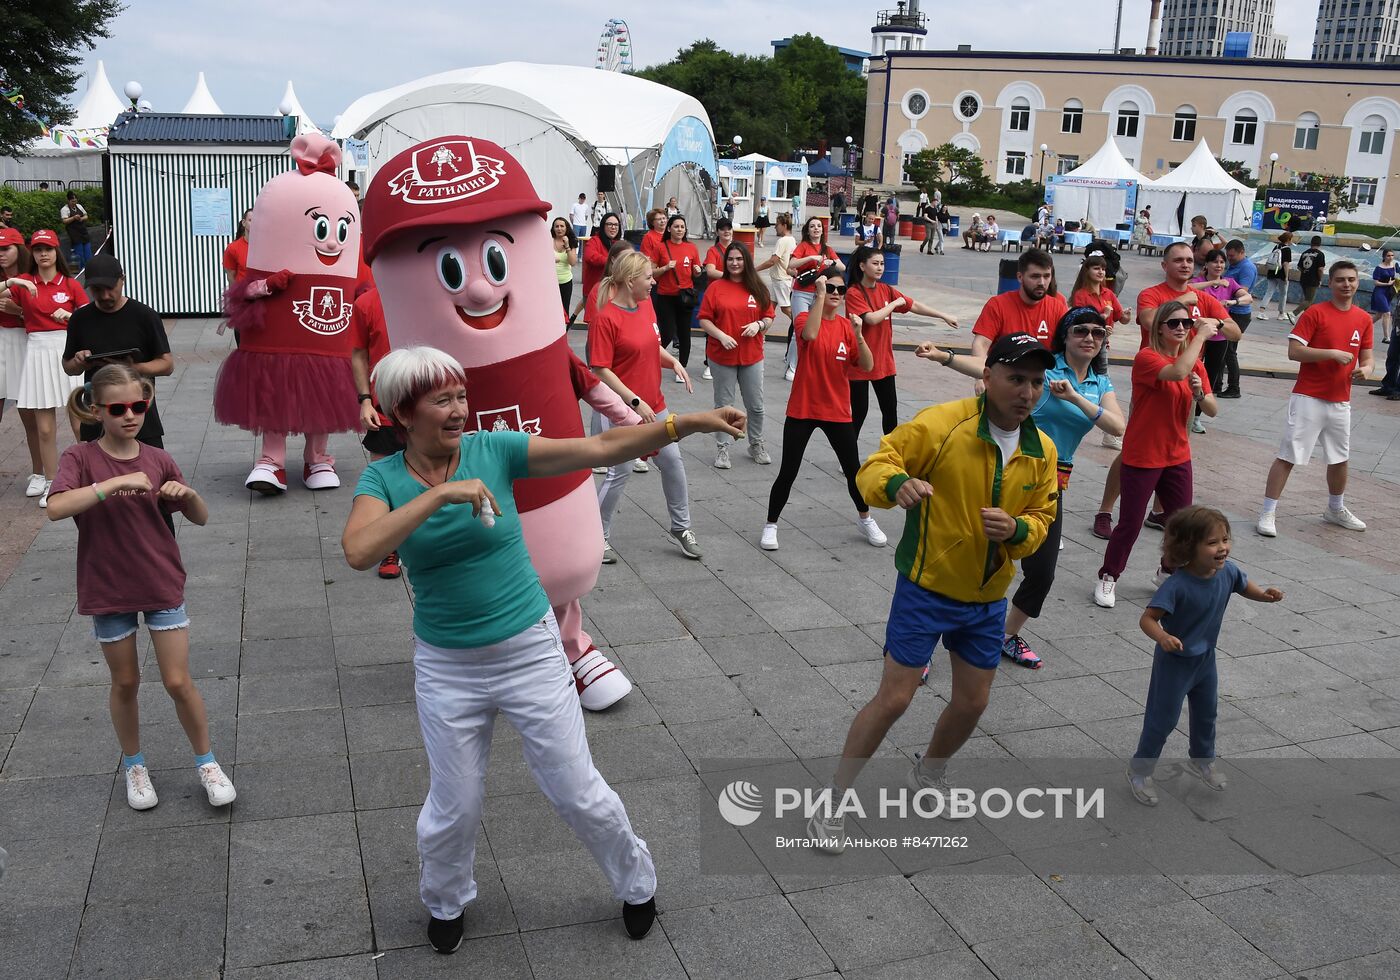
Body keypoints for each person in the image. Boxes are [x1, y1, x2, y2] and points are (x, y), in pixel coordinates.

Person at [341, 346, 746, 953]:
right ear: (403, 412)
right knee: (454, 804)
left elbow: (602, 449)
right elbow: (358, 550)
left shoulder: (493, 448)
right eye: (442, 400)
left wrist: (682, 423)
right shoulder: (384, 479)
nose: (459, 411)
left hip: (527, 650)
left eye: (460, 396)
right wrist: (436, 498)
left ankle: (637, 883)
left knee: (575, 788)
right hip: (447, 665)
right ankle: (446, 901)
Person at [807, 333, 1058, 851]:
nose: (1027, 392)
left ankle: (929, 774)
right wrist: (896, 485)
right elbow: (877, 463)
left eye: (1036, 381)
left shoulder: (1041, 449)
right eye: (1015, 379)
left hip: (988, 598)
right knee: (895, 699)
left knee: (973, 702)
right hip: (926, 589)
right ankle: (833, 800)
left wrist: (1016, 531)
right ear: (986, 377)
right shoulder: (945, 424)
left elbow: (1043, 516)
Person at [46, 363, 236, 812]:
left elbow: (201, 516)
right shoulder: (81, 458)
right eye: (118, 408)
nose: (130, 415)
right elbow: (55, 508)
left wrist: (188, 496)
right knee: (125, 681)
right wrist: (112, 484)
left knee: (177, 680)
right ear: (97, 410)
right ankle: (135, 766)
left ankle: (207, 763)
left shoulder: (158, 457)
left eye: (139, 405)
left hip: (160, 579)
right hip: (108, 585)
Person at [917, 307, 1124, 668]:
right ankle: (920, 649)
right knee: (962, 561)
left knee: (1042, 573)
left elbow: (1117, 426)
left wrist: (1074, 396)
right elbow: (996, 372)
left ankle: (1003, 636)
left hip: (1049, 484)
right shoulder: (1044, 368)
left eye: (1097, 332)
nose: (1089, 337)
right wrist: (944, 357)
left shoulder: (1100, 384)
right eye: (1080, 331)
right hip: (1000, 470)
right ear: (1065, 335)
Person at [1128, 506, 1284, 805]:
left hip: (1205, 661)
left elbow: (1243, 584)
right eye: (1212, 542)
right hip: (1175, 664)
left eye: (1225, 539)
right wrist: (1163, 637)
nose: (1223, 547)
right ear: (1188, 547)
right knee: (1162, 720)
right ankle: (1140, 769)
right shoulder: (1177, 585)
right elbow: (1147, 619)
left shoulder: (1228, 572)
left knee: (1206, 714)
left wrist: (1263, 594)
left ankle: (1202, 759)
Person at [1091, 243, 1239, 539]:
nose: (1185, 265)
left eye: (1188, 260)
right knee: (1134, 449)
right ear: (1165, 265)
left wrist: (1217, 321)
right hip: (1154, 378)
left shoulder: (1204, 298)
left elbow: (1235, 332)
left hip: (1187, 381)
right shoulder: (1153, 294)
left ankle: (1161, 511)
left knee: (1177, 445)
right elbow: (1148, 320)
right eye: (1178, 260)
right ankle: (1106, 510)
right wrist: (1185, 300)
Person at [1094, 300, 1218, 609]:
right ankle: (1109, 576)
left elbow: (1213, 409)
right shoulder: (1147, 358)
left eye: (1186, 324)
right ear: (1159, 328)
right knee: (1131, 522)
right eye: (1174, 323)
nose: (1181, 328)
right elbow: (1175, 372)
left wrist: (1199, 392)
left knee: (1181, 523)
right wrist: (1201, 336)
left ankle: (1167, 571)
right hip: (1143, 453)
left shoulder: (1195, 365)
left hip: (1177, 454)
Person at [589, 251, 703, 561]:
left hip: (656, 405)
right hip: (624, 411)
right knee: (620, 473)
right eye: (648, 277)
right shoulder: (606, 318)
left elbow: (651, 346)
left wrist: (673, 362)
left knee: (673, 463)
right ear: (630, 281)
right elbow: (600, 369)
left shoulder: (645, 306)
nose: (654, 282)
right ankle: (596, 537)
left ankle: (682, 528)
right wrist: (633, 401)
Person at [761, 274, 887, 551]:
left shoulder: (846, 326)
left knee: (854, 471)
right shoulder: (805, 318)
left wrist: (858, 335)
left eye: (840, 290)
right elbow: (811, 335)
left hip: (837, 410)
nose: (836, 293)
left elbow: (866, 366)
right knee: (788, 471)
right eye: (830, 288)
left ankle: (865, 519)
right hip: (803, 408)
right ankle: (771, 524)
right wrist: (818, 296)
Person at [1257, 261, 1372, 538]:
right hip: (1309, 396)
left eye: (1352, 280)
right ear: (1329, 283)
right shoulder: (1315, 313)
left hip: (1340, 399)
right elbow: (1294, 351)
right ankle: (1268, 511)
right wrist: (1331, 353)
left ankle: (1335, 508)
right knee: (1288, 455)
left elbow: (1368, 358)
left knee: (1340, 458)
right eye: (1341, 280)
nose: (1347, 285)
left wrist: (1366, 369)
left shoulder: (1363, 318)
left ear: (1357, 283)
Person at [4, 229, 87, 507]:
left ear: (56, 252)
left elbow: (91, 317)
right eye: (38, 249)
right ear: (33, 253)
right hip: (36, 352)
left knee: (80, 421)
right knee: (45, 429)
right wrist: (14, 281)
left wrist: (73, 316)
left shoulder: (71, 284)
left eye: (48, 249)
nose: (43, 254)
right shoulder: (25, 282)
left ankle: (87, 474)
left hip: (66, 351)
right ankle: (53, 483)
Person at [61, 254, 173, 450]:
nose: (105, 296)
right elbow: (68, 367)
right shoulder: (80, 318)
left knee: (152, 473)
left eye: (110, 288)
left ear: (123, 280)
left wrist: (133, 368)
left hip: (139, 413)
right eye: (97, 290)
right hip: (98, 413)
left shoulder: (144, 316)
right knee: (98, 475)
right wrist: (79, 362)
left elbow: (167, 364)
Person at [845, 245, 957, 437]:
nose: (880, 267)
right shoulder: (854, 293)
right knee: (859, 413)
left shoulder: (885, 290)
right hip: (860, 362)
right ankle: (848, 457)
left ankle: (891, 453)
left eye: (882, 263)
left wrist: (942, 315)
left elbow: (914, 305)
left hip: (884, 362)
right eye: (875, 263)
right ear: (862, 266)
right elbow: (871, 319)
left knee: (890, 411)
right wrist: (894, 304)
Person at [699, 242, 773, 469]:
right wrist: (721, 336)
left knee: (756, 405)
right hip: (722, 356)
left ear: (746, 261)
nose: (734, 263)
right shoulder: (716, 287)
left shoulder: (758, 287)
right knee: (724, 404)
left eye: (739, 259)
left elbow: (769, 316)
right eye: (730, 259)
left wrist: (759, 324)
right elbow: (704, 319)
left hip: (752, 355)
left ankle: (756, 443)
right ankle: (722, 448)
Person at [350, 287, 403, 579]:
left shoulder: (430, 292)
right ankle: (388, 547)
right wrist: (365, 400)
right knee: (383, 479)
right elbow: (359, 353)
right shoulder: (367, 303)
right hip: (383, 408)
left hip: (428, 404)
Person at [1187, 249, 1252, 432]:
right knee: (1192, 371)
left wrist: (1233, 303)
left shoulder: (1230, 283)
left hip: (1219, 336)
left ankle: (1196, 416)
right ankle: (1185, 409)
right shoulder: (1199, 282)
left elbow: (1247, 298)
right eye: (1214, 262)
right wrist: (1213, 282)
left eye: (1222, 262)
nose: (1219, 265)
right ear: (1206, 264)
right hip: (1196, 335)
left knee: (1210, 375)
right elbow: (1188, 289)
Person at [973, 248, 1067, 354]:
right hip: (1005, 369)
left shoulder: (1058, 308)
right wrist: (982, 368)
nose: (1042, 282)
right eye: (1035, 276)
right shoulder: (997, 305)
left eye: (1046, 276)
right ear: (1020, 277)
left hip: (1045, 369)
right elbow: (980, 345)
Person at [787, 217, 847, 381]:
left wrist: (830, 262)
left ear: (822, 230)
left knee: (817, 330)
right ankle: (792, 366)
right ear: (807, 230)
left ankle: (811, 363)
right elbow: (791, 264)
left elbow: (842, 267)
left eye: (819, 226)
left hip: (820, 294)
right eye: (812, 226)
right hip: (802, 292)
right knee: (798, 329)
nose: (816, 229)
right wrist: (812, 258)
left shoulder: (827, 248)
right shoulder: (803, 246)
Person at [652, 214, 702, 378]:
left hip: (685, 296)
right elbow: (652, 272)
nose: (679, 229)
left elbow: (697, 270)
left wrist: (697, 271)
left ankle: (682, 368)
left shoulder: (691, 248)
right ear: (669, 229)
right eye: (676, 226)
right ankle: (652, 359)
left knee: (684, 332)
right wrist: (665, 268)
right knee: (666, 331)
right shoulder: (661, 247)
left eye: (682, 227)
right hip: (666, 295)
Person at [0, 228, 35, 451]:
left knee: (30, 412)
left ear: (19, 249)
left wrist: (19, 311)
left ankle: (39, 471)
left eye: (5, 249)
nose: (0, 254)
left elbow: (44, 314)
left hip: (24, 342)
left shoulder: (33, 276)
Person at [1221, 239, 1258, 398]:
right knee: (1222, 348)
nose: (1230, 259)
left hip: (1239, 312)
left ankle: (1234, 387)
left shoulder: (1247, 268)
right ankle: (1217, 383)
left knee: (1229, 350)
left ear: (1241, 252)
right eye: (1228, 256)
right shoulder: (1235, 265)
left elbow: (1242, 291)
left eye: (1232, 256)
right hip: (1229, 311)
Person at [573, 211, 621, 326]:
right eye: (610, 224)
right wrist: (612, 262)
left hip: (613, 293)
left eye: (616, 225)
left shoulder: (618, 244)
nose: (613, 227)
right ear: (603, 225)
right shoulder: (594, 241)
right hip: (594, 293)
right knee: (596, 330)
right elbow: (590, 257)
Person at [1255, 232, 1294, 322]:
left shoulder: (1276, 247)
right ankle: (1281, 314)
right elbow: (1285, 264)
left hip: (1272, 272)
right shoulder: (1287, 249)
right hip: (1281, 274)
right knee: (1283, 294)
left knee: (1269, 292)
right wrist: (1286, 277)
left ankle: (1261, 312)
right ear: (1288, 240)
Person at [1293, 235, 1326, 319]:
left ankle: (1309, 318)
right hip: (1313, 279)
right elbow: (1320, 269)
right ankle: (1293, 314)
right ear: (1320, 243)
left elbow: (1299, 267)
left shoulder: (1305, 253)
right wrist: (1320, 280)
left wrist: (1305, 271)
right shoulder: (1320, 254)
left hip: (1303, 278)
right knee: (1309, 300)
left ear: (1311, 243)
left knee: (1307, 299)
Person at [551, 217, 579, 318]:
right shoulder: (549, 240)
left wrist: (567, 245)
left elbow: (572, 262)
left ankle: (564, 332)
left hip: (565, 282)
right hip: (550, 282)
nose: (559, 229)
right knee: (550, 309)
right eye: (557, 226)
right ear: (553, 228)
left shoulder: (571, 242)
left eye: (562, 226)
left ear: (566, 228)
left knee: (564, 310)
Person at [1369, 247, 1395, 347]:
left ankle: (1363, 326)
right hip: (1380, 291)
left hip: (1389, 292)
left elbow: (1395, 276)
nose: (1390, 257)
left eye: (1392, 255)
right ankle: (1386, 337)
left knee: (1379, 315)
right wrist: (1387, 284)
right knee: (1387, 313)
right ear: (1384, 256)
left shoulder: (1393, 266)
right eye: (1388, 255)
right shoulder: (1379, 268)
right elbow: (1376, 282)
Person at [60, 190, 92, 270]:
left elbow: (86, 216)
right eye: (72, 201)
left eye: (75, 201)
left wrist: (81, 218)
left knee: (88, 251)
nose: (74, 202)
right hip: (74, 233)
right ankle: (82, 269)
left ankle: (90, 267)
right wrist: (74, 218)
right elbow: (65, 221)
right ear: (68, 200)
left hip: (83, 231)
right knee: (79, 252)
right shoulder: (64, 209)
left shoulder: (79, 206)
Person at [222, 208, 253, 288]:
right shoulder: (232, 248)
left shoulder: (265, 247)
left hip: (263, 296)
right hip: (242, 296)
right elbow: (230, 277)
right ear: (244, 223)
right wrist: (236, 297)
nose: (254, 223)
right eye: (250, 220)